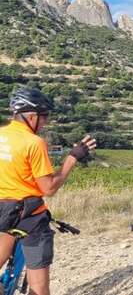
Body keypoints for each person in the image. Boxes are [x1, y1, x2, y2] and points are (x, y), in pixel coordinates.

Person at [0, 86, 96, 295]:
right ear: (32, 116)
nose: (46, 122)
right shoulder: (33, 142)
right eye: (44, 116)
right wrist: (73, 157)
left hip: (2, 212)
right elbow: (49, 188)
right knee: (39, 286)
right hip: (28, 217)